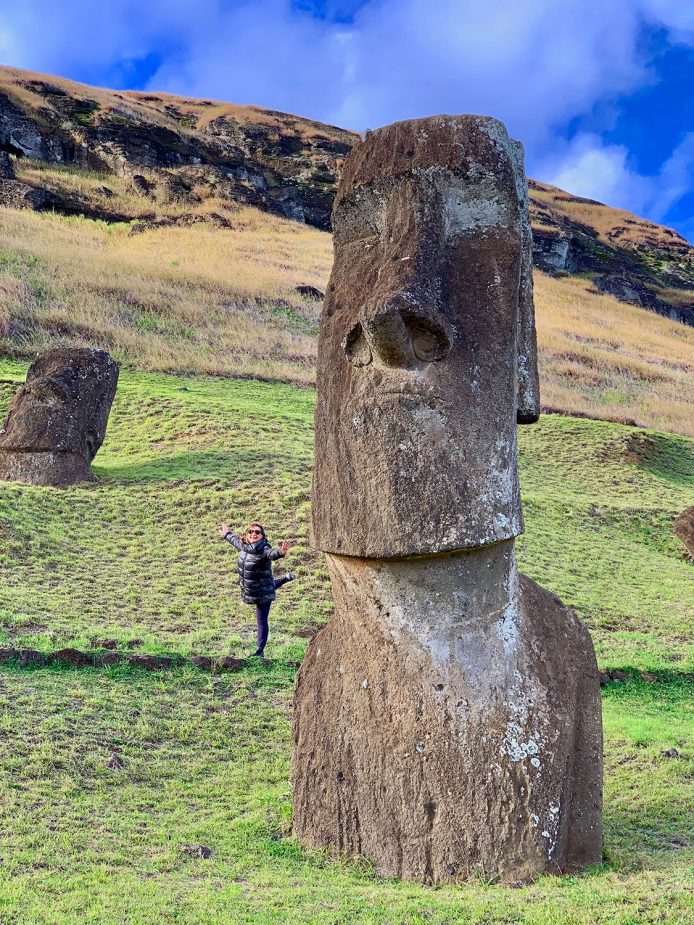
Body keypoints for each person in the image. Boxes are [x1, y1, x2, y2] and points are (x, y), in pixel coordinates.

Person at [219, 521, 295, 658]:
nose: (254, 534)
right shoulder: (244, 546)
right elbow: (235, 541)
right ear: (246, 534)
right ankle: (285, 578)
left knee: (261, 620)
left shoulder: (264, 549)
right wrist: (227, 534)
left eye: (257, 532)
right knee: (268, 586)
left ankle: (260, 652)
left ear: (262, 536)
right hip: (253, 587)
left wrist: (280, 552)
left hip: (262, 591)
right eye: (251, 531)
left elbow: (272, 554)